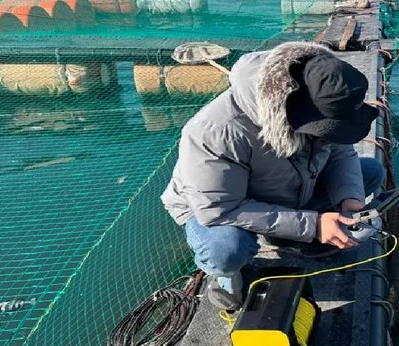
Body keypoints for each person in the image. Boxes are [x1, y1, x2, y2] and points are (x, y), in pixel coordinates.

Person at [161, 41, 384, 310]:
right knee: (225, 250)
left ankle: (291, 234)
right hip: (222, 208)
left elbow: (340, 152)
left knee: (369, 172)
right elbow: (218, 210)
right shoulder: (214, 132)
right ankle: (226, 282)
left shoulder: (318, 98)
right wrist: (313, 225)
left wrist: (350, 200)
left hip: (287, 186)